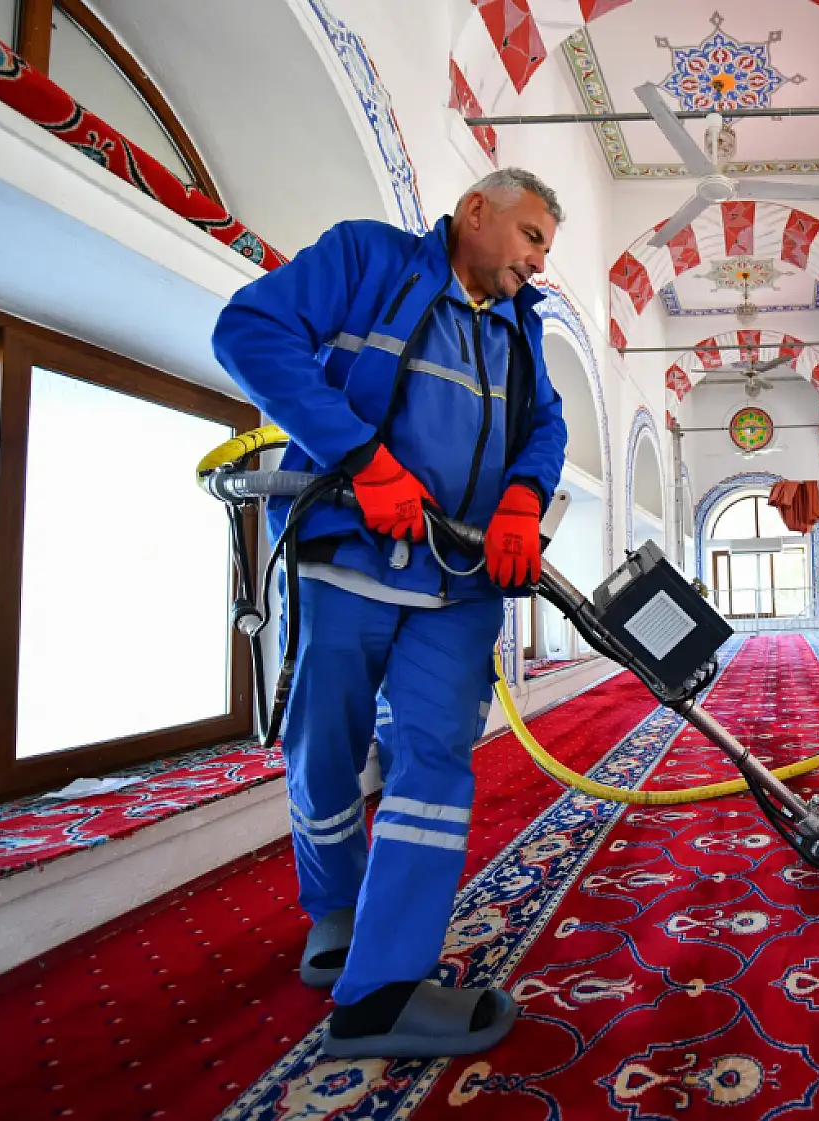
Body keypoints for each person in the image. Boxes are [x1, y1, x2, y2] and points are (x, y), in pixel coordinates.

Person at [211, 168, 568, 1059]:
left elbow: (548, 428)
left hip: (460, 583)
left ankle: (385, 988)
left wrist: (524, 496)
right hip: (349, 561)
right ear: (476, 212)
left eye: (547, 249)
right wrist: (363, 457)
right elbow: (247, 331)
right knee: (323, 747)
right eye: (530, 237)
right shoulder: (368, 259)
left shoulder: (522, 330)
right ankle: (336, 906)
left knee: (435, 762)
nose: (537, 262)